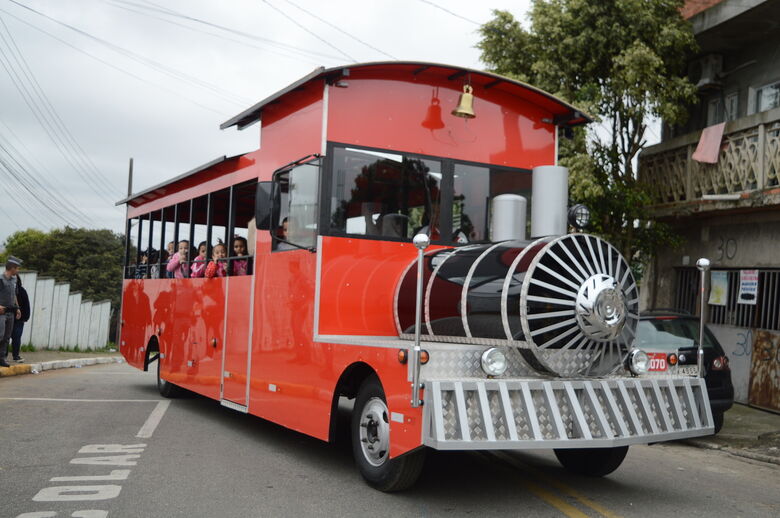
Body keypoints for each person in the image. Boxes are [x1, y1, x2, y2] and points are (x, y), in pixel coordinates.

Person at [0, 256, 23, 368]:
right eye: (17, 268)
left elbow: (14, 295)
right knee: (0, 335)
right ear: (12, 268)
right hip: (1, 312)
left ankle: (1, 358)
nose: (18, 271)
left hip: (11, 312)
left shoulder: (15, 279)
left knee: (6, 337)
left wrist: (17, 308)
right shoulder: (0, 279)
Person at [9, 273, 30, 363]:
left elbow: (26, 305)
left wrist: (25, 317)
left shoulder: (21, 291)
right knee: (14, 338)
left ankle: (9, 356)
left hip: (16, 318)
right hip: (14, 317)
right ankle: (15, 356)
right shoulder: (21, 290)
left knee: (11, 338)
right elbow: (26, 305)